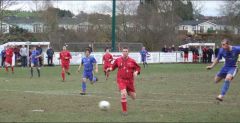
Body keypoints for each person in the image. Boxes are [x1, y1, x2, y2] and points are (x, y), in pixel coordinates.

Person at [107, 47, 141, 115]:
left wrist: (136, 72)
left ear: (128, 52)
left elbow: (138, 68)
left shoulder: (132, 61)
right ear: (122, 52)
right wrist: (109, 69)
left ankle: (126, 90)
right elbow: (113, 67)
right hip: (121, 80)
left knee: (134, 97)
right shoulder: (118, 60)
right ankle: (124, 111)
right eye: (123, 51)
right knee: (123, 94)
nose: (125, 52)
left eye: (126, 51)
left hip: (130, 81)